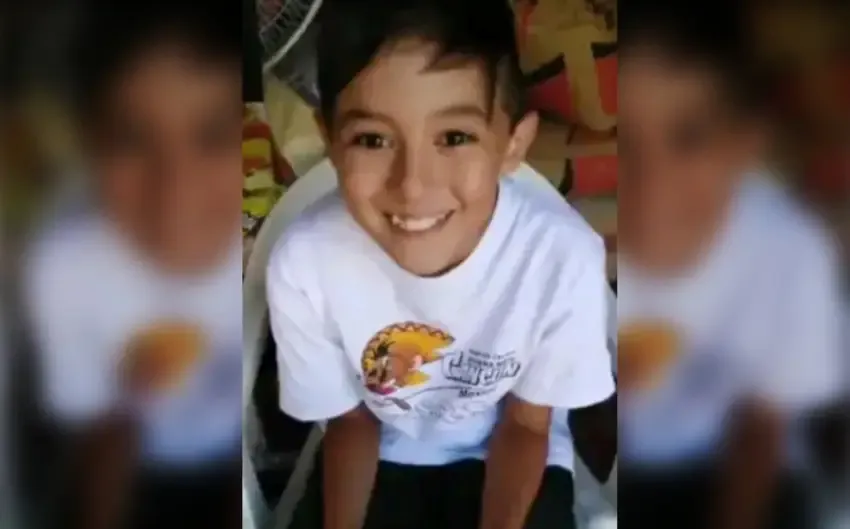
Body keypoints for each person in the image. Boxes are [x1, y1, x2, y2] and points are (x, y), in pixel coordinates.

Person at [267, 1, 617, 528]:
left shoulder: (562, 260)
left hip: (512, 452)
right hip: (377, 451)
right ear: (330, 141)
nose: (412, 185)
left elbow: (527, 425)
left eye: (454, 138)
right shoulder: (304, 266)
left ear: (513, 144)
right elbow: (350, 425)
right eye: (372, 140)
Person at [617, 2, 844, 528]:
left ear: (745, 144)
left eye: (689, 138)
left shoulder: (786, 250)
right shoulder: (577, 243)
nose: (653, 181)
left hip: (731, 473)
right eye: (623, 143)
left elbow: (762, 428)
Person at [23, 1, 242, 528]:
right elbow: (104, 431)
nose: (176, 191)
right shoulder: (66, 267)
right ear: (88, 143)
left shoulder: (270, 250)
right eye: (132, 140)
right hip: (138, 470)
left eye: (213, 136)